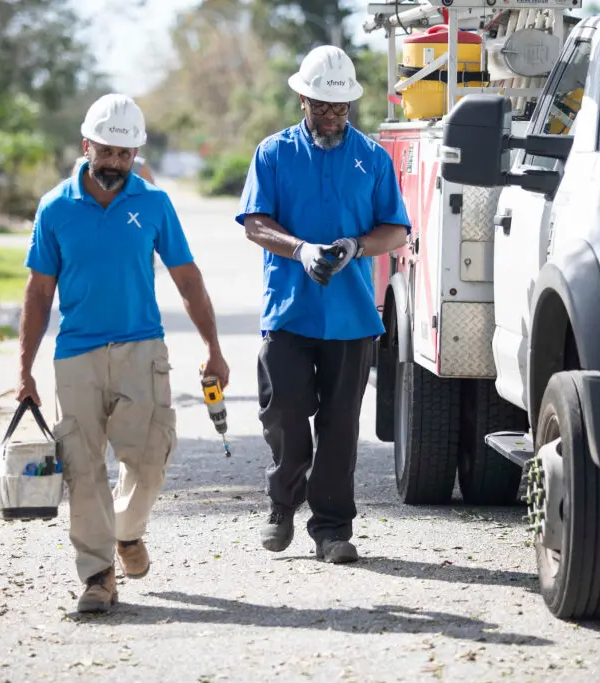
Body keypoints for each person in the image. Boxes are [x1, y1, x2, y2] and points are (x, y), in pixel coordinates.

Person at [17, 93, 229, 613]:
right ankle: (97, 576)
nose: (115, 161)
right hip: (77, 357)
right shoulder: (55, 207)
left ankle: (128, 533)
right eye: (107, 150)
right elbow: (38, 292)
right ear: (86, 144)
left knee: (151, 456)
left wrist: (214, 347)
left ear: (137, 153)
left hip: (142, 349)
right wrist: (24, 370)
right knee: (83, 470)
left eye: (125, 153)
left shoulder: (154, 203)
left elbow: (189, 280)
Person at [235, 45, 411, 565]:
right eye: (322, 106)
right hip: (289, 312)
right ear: (302, 99)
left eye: (341, 108)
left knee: (339, 426)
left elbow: (395, 229)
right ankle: (281, 503)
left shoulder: (373, 158)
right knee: (285, 413)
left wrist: (357, 246)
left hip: (352, 317)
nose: (332, 117)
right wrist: (301, 249)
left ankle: (332, 530)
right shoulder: (273, 153)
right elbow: (255, 223)